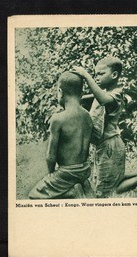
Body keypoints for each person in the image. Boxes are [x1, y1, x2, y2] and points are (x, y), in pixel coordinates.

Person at [73, 56, 137, 198]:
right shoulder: (108, 92)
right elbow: (95, 96)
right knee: (115, 178)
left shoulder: (116, 94)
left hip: (110, 146)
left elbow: (103, 99)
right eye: (94, 74)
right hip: (110, 145)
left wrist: (86, 76)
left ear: (114, 75)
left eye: (100, 74)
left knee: (107, 191)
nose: (96, 77)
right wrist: (75, 98)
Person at [29, 71, 94, 199]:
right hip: (85, 170)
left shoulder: (58, 119)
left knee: (33, 195)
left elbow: (50, 156)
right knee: (78, 180)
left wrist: (51, 175)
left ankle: (72, 193)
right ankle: (84, 186)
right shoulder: (87, 116)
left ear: (60, 91)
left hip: (67, 172)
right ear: (81, 93)